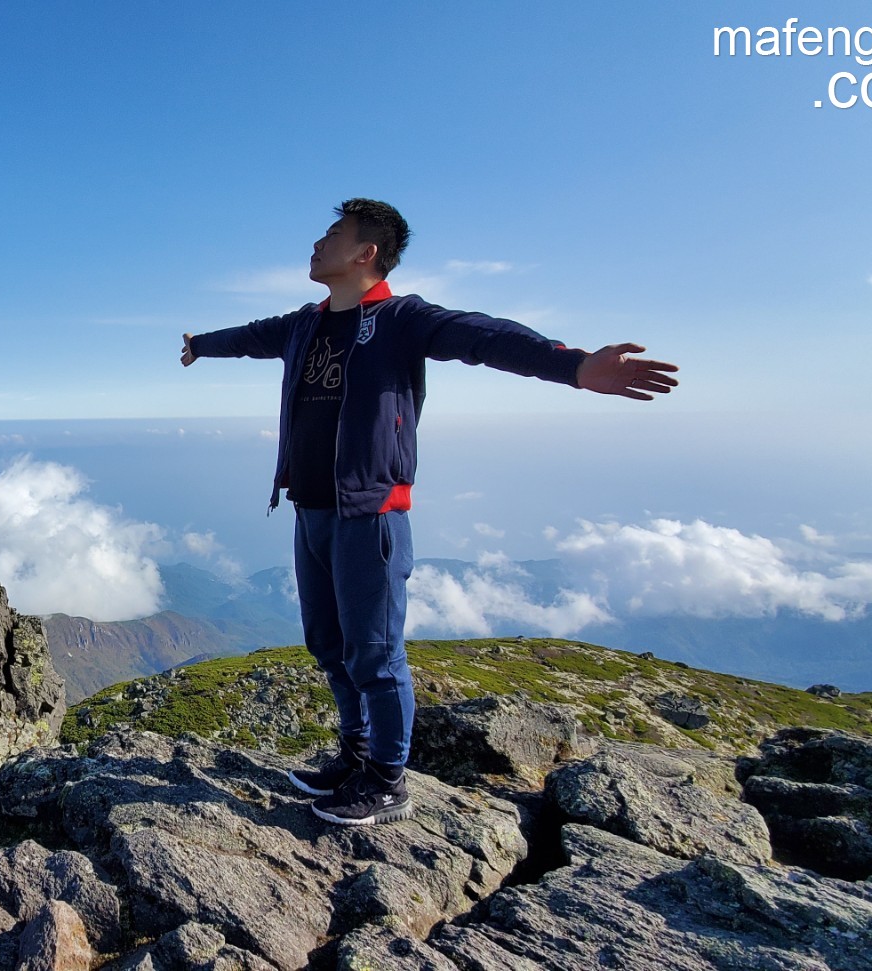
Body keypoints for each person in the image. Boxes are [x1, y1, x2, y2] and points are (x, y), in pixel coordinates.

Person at [179, 199, 678, 826]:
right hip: (311, 510)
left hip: (371, 517)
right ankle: (354, 755)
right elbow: (251, 337)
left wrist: (574, 366)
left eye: (333, 234)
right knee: (329, 644)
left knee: (376, 652)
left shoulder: (401, 320)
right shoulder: (304, 325)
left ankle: (387, 780)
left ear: (366, 254)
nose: (317, 243)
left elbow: (488, 337)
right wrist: (202, 345)